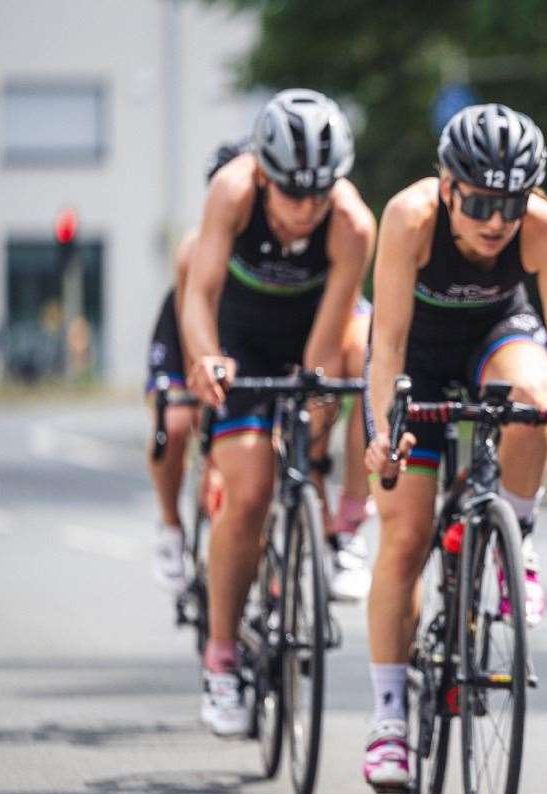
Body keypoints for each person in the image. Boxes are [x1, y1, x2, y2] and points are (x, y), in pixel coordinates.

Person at [361, 103, 547, 789]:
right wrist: (384, 431)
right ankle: (389, 719)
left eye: (511, 203)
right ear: (447, 187)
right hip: (417, 359)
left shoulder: (544, 228)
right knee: (405, 536)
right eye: (481, 202)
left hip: (498, 336)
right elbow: (386, 343)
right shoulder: (409, 218)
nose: (496, 221)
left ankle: (516, 534)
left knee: (532, 398)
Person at [182, 89, 377, 736]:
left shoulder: (351, 223)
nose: (305, 208)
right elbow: (199, 294)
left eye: (319, 192)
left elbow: (331, 332)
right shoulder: (233, 193)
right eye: (293, 192)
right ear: (264, 175)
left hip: (310, 334)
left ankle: (344, 523)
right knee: (248, 493)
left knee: (364, 353)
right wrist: (207, 358)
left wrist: (313, 410)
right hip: (240, 342)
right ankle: (221, 658)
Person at [147, 141, 375, 603]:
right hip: (207, 325)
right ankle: (170, 525)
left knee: (324, 400)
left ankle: (335, 521)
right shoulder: (199, 248)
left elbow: (328, 344)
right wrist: (214, 444)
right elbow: (198, 331)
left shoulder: (338, 227)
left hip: (291, 320)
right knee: (176, 422)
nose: (302, 207)